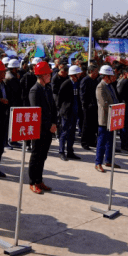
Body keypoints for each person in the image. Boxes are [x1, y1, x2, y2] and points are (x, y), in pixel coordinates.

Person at [27, 61, 57, 193]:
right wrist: (48, 125)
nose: (50, 76)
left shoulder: (48, 88)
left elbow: (53, 108)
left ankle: (39, 180)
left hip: (48, 129)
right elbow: (37, 112)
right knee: (36, 156)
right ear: (42, 75)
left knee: (43, 156)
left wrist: (54, 123)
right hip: (39, 129)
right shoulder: (35, 90)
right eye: (48, 74)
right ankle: (32, 182)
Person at [94, 65, 119, 172]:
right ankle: (98, 163)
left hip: (112, 118)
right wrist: (115, 109)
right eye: (110, 76)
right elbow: (104, 103)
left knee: (111, 141)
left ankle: (108, 160)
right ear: (105, 76)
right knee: (102, 141)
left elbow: (114, 99)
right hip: (104, 118)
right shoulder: (100, 87)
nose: (112, 77)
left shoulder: (110, 86)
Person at [57, 65, 81, 161]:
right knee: (64, 132)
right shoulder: (66, 84)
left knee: (71, 133)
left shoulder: (77, 83)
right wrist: (61, 111)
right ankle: (61, 151)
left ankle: (70, 152)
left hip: (74, 112)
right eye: (78, 74)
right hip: (67, 112)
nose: (79, 75)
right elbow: (59, 99)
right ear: (73, 75)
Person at [80, 64, 100, 150]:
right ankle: (84, 142)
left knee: (93, 125)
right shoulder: (85, 80)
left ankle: (92, 141)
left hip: (95, 106)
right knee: (86, 125)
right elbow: (83, 94)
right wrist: (85, 105)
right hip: (87, 107)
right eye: (96, 72)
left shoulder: (96, 81)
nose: (97, 73)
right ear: (91, 71)